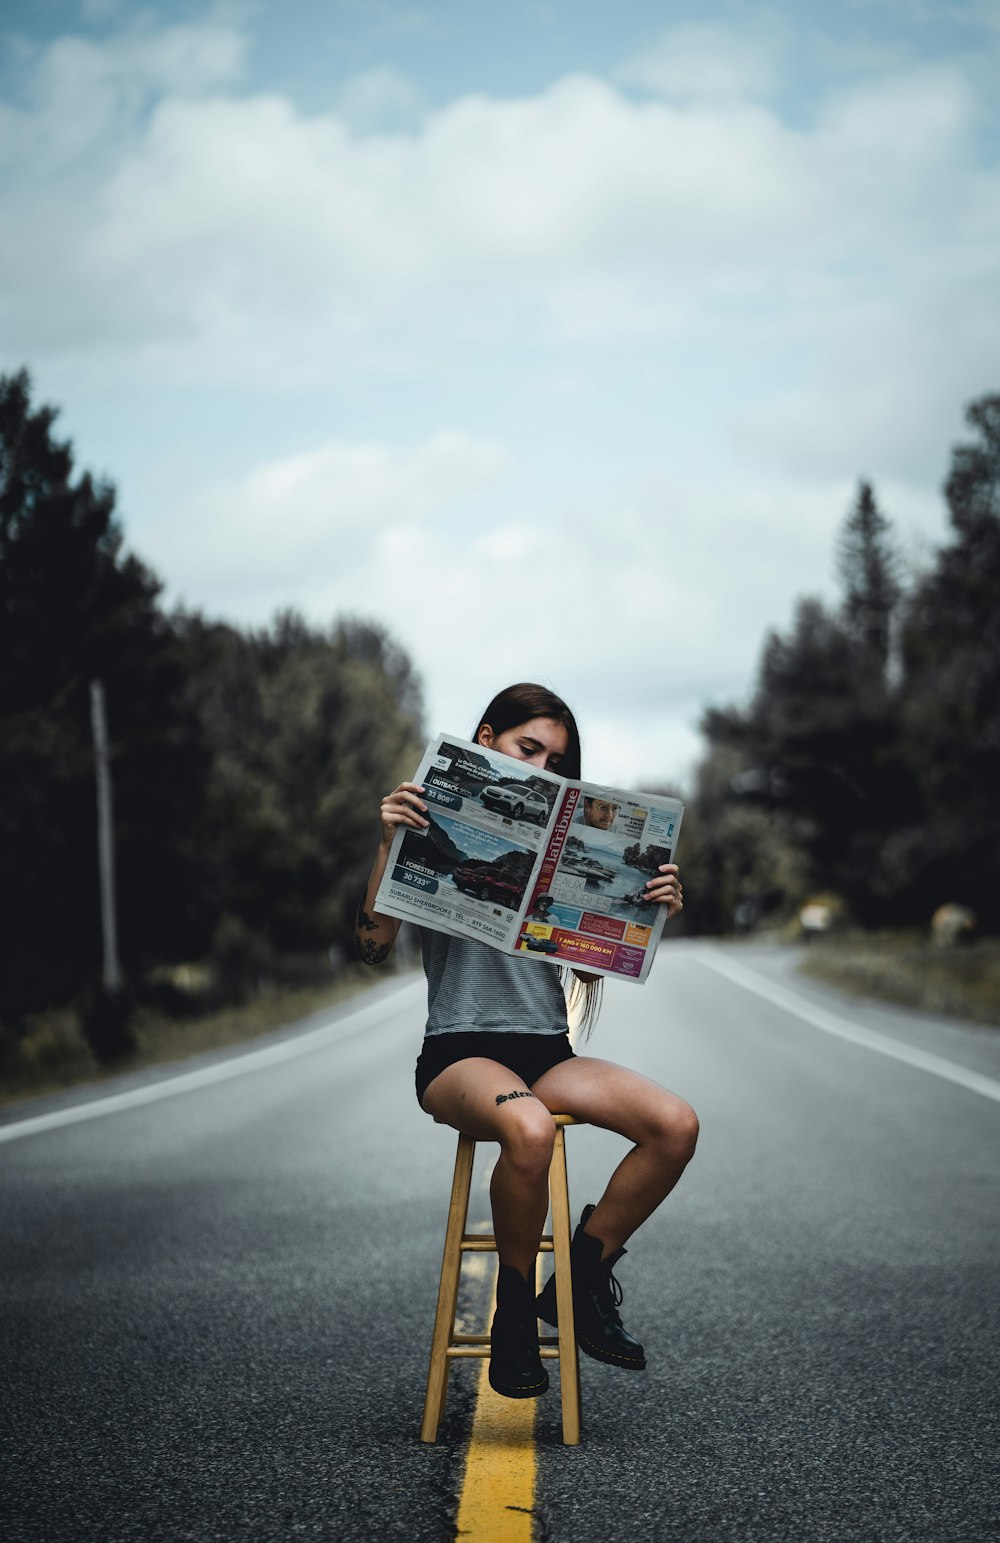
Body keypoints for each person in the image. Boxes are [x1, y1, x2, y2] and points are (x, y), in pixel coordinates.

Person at [355, 683, 697, 1400]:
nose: (541, 765)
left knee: (675, 1125)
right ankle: (514, 1315)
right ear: (486, 739)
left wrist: (646, 904)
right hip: (458, 1051)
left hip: (545, 1047)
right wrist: (389, 841)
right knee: (530, 1128)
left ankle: (575, 1282)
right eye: (527, 748)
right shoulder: (424, 821)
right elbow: (370, 948)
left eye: (555, 759)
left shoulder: (559, 842)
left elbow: (583, 960)